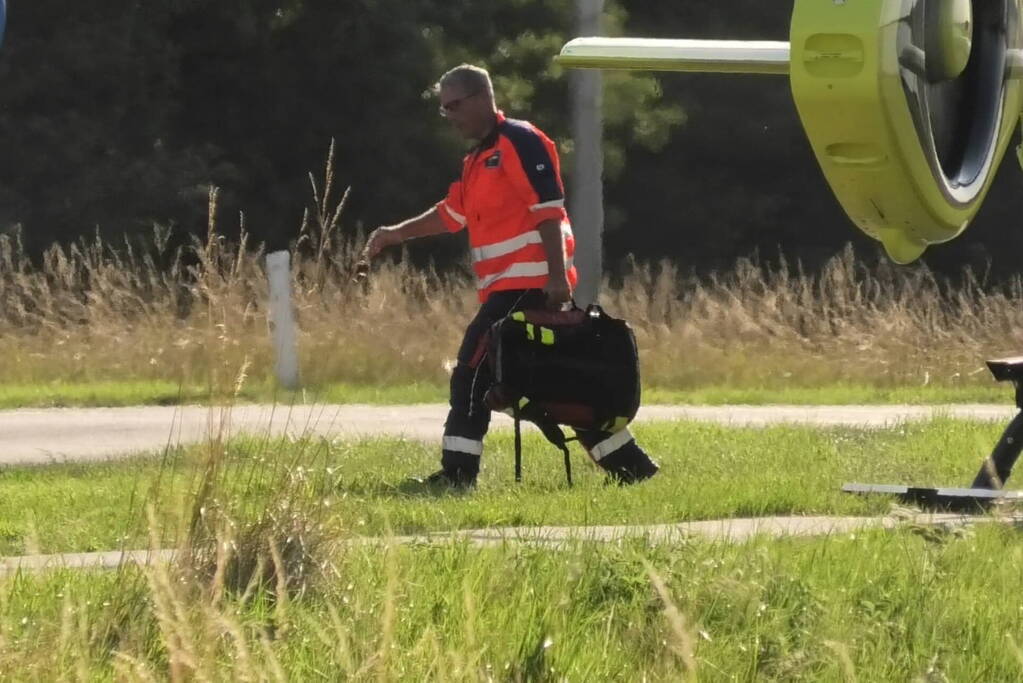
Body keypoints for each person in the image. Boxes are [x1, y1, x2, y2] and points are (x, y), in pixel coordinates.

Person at [360, 64, 658, 488]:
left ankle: (457, 474)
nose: (449, 116)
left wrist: (557, 279)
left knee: (471, 371)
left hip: (530, 286)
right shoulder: (475, 160)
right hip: (506, 290)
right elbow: (451, 214)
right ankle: (632, 470)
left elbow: (548, 211)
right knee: (551, 381)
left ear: (482, 98)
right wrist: (395, 234)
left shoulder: (521, 141)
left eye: (455, 106)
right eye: (444, 109)